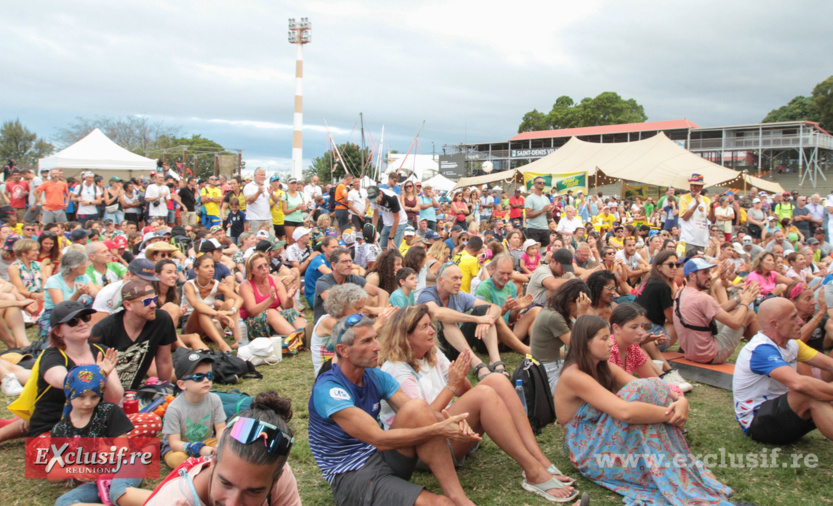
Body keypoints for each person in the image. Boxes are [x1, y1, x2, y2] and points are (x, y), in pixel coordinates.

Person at [379, 305, 579, 502]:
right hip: (425, 447)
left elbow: (464, 391)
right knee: (484, 393)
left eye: (430, 325)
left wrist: (460, 377)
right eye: (424, 327)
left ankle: (540, 459)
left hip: (450, 428)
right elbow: (421, 417)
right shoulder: (397, 369)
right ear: (406, 336)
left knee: (497, 380)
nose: (432, 331)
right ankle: (533, 471)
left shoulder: (432, 353)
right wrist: (451, 385)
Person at [554, 315, 733, 505]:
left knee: (650, 386)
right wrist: (670, 415)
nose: (610, 343)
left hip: (605, 440)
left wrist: (681, 401)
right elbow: (625, 412)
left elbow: (651, 388)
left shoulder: (604, 367)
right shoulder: (574, 375)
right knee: (637, 394)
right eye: (604, 338)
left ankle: (672, 463)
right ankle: (672, 465)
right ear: (585, 343)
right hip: (590, 454)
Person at [308, 314, 480, 506]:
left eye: (375, 338)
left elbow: (420, 414)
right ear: (343, 350)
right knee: (441, 504)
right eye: (367, 341)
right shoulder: (329, 390)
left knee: (417, 407)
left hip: (378, 457)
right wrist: (438, 429)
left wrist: (450, 421)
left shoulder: (375, 376)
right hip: (352, 476)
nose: (377, 347)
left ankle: (459, 497)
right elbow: (378, 439)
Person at [145, 390, 301, 506]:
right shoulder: (173, 502)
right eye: (226, 483)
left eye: (253, 491)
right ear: (213, 460)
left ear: (276, 480)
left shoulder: (272, 472)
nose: (232, 503)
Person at [733, 297, 833, 444]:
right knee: (809, 393)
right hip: (757, 423)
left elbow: (830, 365)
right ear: (775, 325)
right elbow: (798, 384)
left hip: (781, 415)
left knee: (820, 391)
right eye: (793, 317)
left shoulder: (792, 344)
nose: (801, 322)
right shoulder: (760, 349)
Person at [50, 364, 147, 506]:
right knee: (63, 502)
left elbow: (124, 452)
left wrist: (110, 452)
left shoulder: (108, 411)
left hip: (128, 463)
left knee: (118, 492)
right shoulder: (60, 430)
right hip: (97, 478)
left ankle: (171, 501)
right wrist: (73, 470)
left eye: (94, 396)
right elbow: (52, 474)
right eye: (81, 396)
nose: (88, 403)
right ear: (69, 393)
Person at [418, 263, 511, 380]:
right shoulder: (426, 295)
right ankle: (477, 364)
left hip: (456, 347)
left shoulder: (459, 295)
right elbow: (438, 313)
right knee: (447, 318)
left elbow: (495, 308)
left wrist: (486, 319)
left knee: (485, 311)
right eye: (455, 278)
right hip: (436, 349)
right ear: (441, 280)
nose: (459, 282)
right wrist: (477, 319)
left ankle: (495, 361)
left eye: (460, 278)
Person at [673, 258, 760, 365]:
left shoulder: (681, 292)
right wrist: (745, 303)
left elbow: (718, 309)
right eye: (705, 273)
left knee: (736, 311)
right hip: (709, 355)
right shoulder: (703, 298)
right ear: (692, 276)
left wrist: (739, 298)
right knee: (748, 314)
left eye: (709, 272)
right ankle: (767, 352)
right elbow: (736, 324)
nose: (710, 276)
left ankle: (761, 351)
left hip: (691, 351)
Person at [91, 280, 176, 388]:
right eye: (146, 301)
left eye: (154, 299)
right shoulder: (103, 330)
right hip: (107, 391)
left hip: (134, 392)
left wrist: (165, 390)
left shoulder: (161, 320)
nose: (153, 305)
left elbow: (164, 361)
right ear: (128, 305)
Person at [161, 353, 226, 468]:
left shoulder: (215, 399)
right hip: (180, 448)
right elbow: (174, 443)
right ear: (182, 385)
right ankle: (205, 461)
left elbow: (221, 429)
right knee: (177, 459)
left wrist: (221, 446)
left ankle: (204, 460)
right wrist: (198, 449)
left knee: (230, 446)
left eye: (209, 375)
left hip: (207, 442)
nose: (206, 380)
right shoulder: (174, 408)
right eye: (198, 377)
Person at [609, 303, 689, 395]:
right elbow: (623, 387)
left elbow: (654, 380)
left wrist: (675, 395)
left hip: (623, 396)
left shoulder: (632, 348)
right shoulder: (608, 349)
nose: (640, 332)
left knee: (672, 391)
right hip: (610, 398)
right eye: (634, 327)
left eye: (642, 326)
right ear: (616, 328)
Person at [530, 278, 592, 394]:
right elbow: (577, 346)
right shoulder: (554, 317)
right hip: (547, 373)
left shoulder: (553, 311)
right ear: (570, 301)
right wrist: (581, 315)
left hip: (551, 365)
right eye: (579, 305)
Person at [474, 253, 539, 350]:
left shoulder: (511, 286)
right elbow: (484, 320)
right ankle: (526, 349)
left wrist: (517, 309)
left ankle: (533, 349)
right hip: (490, 336)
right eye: (502, 273)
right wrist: (504, 309)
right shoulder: (484, 287)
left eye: (509, 274)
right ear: (493, 269)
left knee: (536, 310)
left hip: (507, 333)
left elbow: (511, 319)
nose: (505, 277)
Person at [182, 255, 244, 352]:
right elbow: (195, 304)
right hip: (190, 325)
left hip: (208, 323)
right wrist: (218, 313)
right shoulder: (189, 285)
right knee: (200, 309)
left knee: (230, 302)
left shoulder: (216, 284)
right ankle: (222, 345)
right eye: (206, 267)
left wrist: (231, 311)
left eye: (212, 266)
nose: (211, 269)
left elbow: (239, 299)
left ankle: (238, 341)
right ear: (196, 270)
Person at [313, 247, 388, 324]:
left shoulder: (352, 278)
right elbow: (338, 304)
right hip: (328, 323)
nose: (349, 265)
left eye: (350, 261)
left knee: (375, 299)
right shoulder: (323, 282)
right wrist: (371, 310)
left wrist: (381, 310)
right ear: (333, 265)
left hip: (348, 320)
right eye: (344, 262)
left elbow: (382, 292)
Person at [240, 252, 305, 338]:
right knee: (271, 312)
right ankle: (297, 338)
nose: (264, 269)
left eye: (266, 265)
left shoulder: (275, 281)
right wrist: (270, 300)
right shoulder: (246, 285)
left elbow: (287, 307)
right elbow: (252, 312)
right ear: (251, 271)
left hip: (273, 319)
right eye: (260, 267)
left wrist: (289, 298)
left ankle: (307, 334)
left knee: (292, 312)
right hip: (252, 323)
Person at [40, 249, 99, 341]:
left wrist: (91, 293)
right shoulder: (54, 281)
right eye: (84, 264)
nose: (86, 266)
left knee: (93, 302)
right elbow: (61, 308)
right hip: (57, 315)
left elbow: (98, 295)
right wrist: (77, 294)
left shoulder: (83, 277)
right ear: (74, 268)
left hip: (78, 312)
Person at [678, 173, 710, 255]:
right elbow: (685, 217)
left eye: (697, 186)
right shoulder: (684, 198)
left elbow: (710, 218)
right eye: (692, 185)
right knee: (686, 260)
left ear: (701, 187)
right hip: (688, 239)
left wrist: (712, 206)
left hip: (702, 240)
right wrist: (696, 204)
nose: (694, 188)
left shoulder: (706, 200)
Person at [369, 185, 408, 250]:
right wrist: (374, 230)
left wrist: (391, 237)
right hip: (387, 222)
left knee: (392, 248)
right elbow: (375, 214)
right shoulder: (372, 198)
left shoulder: (392, 197)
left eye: (377, 199)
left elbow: (397, 218)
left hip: (399, 222)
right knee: (382, 247)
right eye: (374, 201)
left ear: (380, 193)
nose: (376, 202)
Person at [525, 177, 553, 248]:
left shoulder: (546, 199)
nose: (542, 184)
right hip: (533, 229)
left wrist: (549, 211)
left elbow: (549, 216)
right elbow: (528, 215)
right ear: (534, 184)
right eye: (539, 182)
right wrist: (542, 211)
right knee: (533, 251)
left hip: (544, 228)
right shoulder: (530, 198)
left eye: (543, 183)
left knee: (544, 251)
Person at [282, 177, 307, 246]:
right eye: (292, 183)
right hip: (289, 220)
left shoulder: (301, 194)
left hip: (299, 219)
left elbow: (304, 208)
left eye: (295, 183)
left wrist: (303, 208)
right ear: (288, 184)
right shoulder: (285, 195)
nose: (294, 185)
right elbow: (285, 211)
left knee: (300, 240)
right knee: (292, 241)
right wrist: (295, 209)